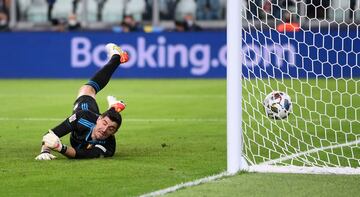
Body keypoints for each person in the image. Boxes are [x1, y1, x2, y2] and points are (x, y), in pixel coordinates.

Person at [35, 43, 129, 160]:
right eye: (104, 124)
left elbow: (82, 155)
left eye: (111, 129)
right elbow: (51, 134)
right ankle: (116, 57)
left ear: (114, 132)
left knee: (89, 93)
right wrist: (45, 150)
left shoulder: (109, 147)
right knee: (87, 89)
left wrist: (60, 147)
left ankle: (113, 107)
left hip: (81, 138)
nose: (105, 130)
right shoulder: (82, 117)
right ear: (98, 119)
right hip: (87, 110)